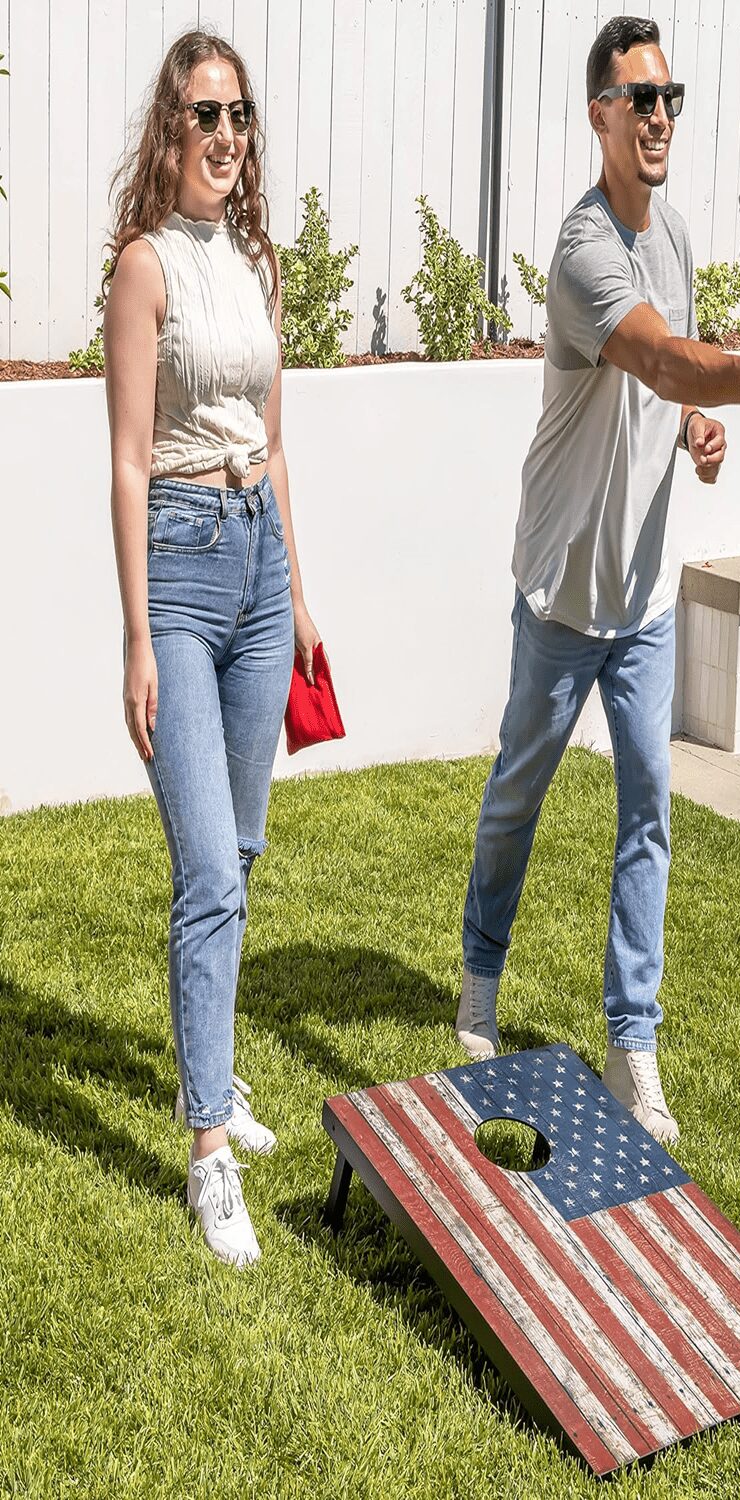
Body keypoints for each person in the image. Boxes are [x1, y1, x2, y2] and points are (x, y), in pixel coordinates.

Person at [457, 15, 740, 1143]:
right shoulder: (583, 249)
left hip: (646, 594)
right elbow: (661, 357)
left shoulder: (667, 237)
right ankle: (479, 985)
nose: (661, 114)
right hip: (566, 587)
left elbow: (668, 386)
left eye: (671, 96)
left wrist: (698, 436)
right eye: (640, 98)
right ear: (599, 117)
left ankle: (633, 1045)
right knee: (519, 793)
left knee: (648, 815)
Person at [104, 31, 320, 1266]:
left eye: (237, 117)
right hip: (180, 569)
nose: (225, 138)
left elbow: (276, 443)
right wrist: (137, 633)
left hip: (257, 558)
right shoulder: (146, 269)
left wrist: (299, 593)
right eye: (204, 117)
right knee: (207, 871)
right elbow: (131, 462)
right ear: (168, 132)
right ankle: (207, 1153)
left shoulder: (257, 262)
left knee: (238, 850)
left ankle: (218, 1072)